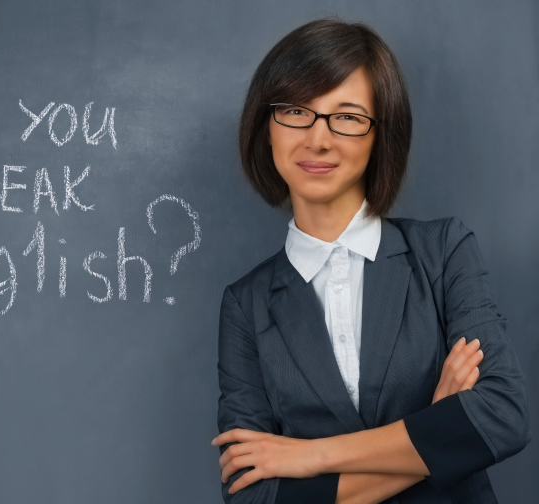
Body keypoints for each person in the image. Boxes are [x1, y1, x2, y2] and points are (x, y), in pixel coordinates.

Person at [211, 18, 531, 503]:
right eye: (296, 111)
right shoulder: (246, 306)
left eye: (347, 116)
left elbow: (503, 415)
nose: (318, 139)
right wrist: (436, 430)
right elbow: (253, 494)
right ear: (266, 127)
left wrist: (309, 456)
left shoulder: (444, 252)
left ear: (381, 133)